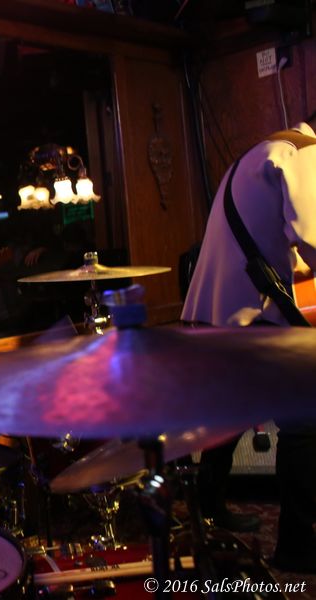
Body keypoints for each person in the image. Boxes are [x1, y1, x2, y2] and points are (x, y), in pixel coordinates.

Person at [182, 113, 316, 573]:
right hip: (253, 311)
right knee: (305, 421)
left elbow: (273, 238)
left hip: (219, 306)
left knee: (234, 410)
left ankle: (208, 512)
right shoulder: (304, 153)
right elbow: (312, 239)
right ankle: (298, 545)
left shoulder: (263, 151)